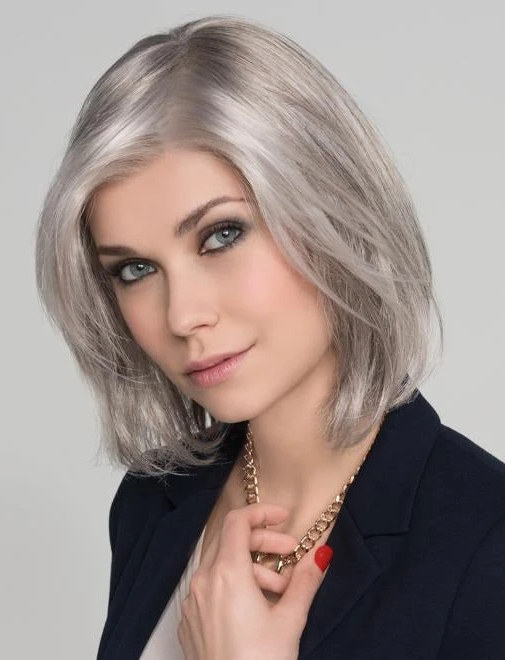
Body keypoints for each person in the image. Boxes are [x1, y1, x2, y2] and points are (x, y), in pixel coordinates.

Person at [34, 14, 505, 660]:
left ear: (331, 211)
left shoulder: (485, 548)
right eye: (135, 270)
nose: (182, 316)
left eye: (221, 236)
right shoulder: (153, 502)